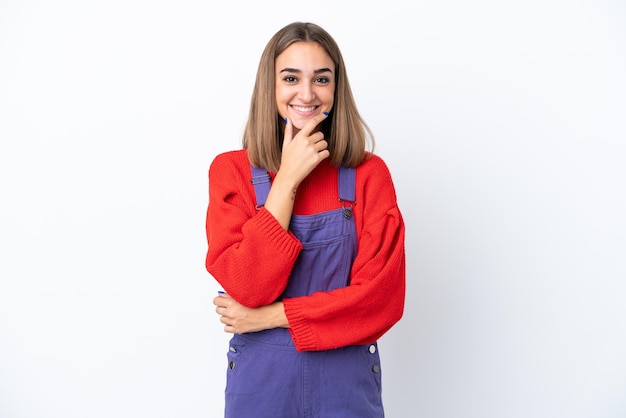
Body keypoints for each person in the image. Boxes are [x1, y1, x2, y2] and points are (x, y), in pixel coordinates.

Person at [205, 21, 405, 418]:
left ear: (336, 88)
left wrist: (269, 317)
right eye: (291, 77)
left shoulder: (368, 175)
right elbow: (247, 285)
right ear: (271, 87)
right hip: (262, 390)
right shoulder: (231, 172)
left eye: (322, 79)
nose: (307, 93)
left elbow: (379, 300)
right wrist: (288, 181)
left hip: (346, 390)